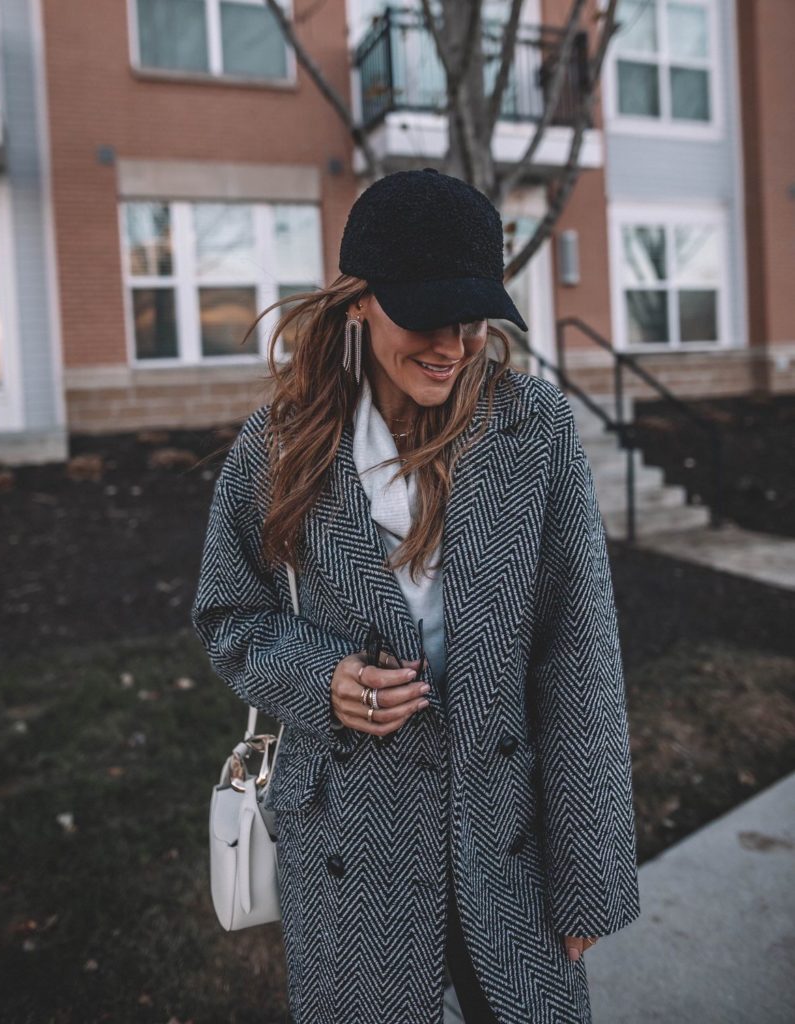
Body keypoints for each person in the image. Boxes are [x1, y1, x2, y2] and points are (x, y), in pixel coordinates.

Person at [191, 168, 641, 1024]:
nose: (454, 342)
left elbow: (579, 653)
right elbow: (227, 614)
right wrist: (318, 679)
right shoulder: (279, 444)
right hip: (349, 851)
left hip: (505, 848)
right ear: (358, 302)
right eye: (427, 314)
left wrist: (587, 871)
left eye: (474, 317)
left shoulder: (534, 430)